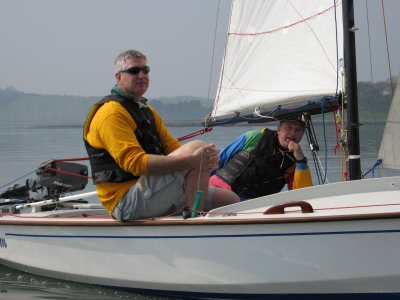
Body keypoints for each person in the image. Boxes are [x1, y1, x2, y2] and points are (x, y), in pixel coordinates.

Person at [83, 49, 239, 221]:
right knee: (197, 148)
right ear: (118, 77)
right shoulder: (111, 114)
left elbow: (174, 149)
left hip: (150, 191)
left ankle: (195, 216)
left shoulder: (147, 111)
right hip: (125, 202)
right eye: (134, 71)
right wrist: (191, 160)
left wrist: (205, 160)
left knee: (230, 200)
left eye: (146, 70)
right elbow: (134, 162)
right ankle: (195, 221)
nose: (142, 75)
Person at [209, 118, 312, 200]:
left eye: (298, 130)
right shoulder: (253, 138)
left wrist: (300, 160)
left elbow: (302, 195)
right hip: (219, 191)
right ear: (279, 130)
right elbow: (218, 160)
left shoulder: (297, 163)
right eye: (288, 128)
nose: (293, 133)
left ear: (302, 135)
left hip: (254, 206)